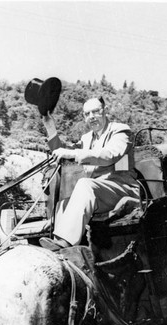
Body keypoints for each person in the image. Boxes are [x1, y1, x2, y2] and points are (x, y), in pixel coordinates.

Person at [39, 96, 141, 251]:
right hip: (98, 192)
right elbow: (63, 151)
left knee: (85, 185)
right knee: (63, 204)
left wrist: (72, 153)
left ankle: (64, 244)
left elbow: (109, 155)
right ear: (84, 117)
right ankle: (60, 247)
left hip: (122, 188)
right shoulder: (87, 138)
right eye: (87, 114)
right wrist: (50, 127)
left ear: (105, 111)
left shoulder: (120, 131)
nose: (92, 116)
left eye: (96, 111)